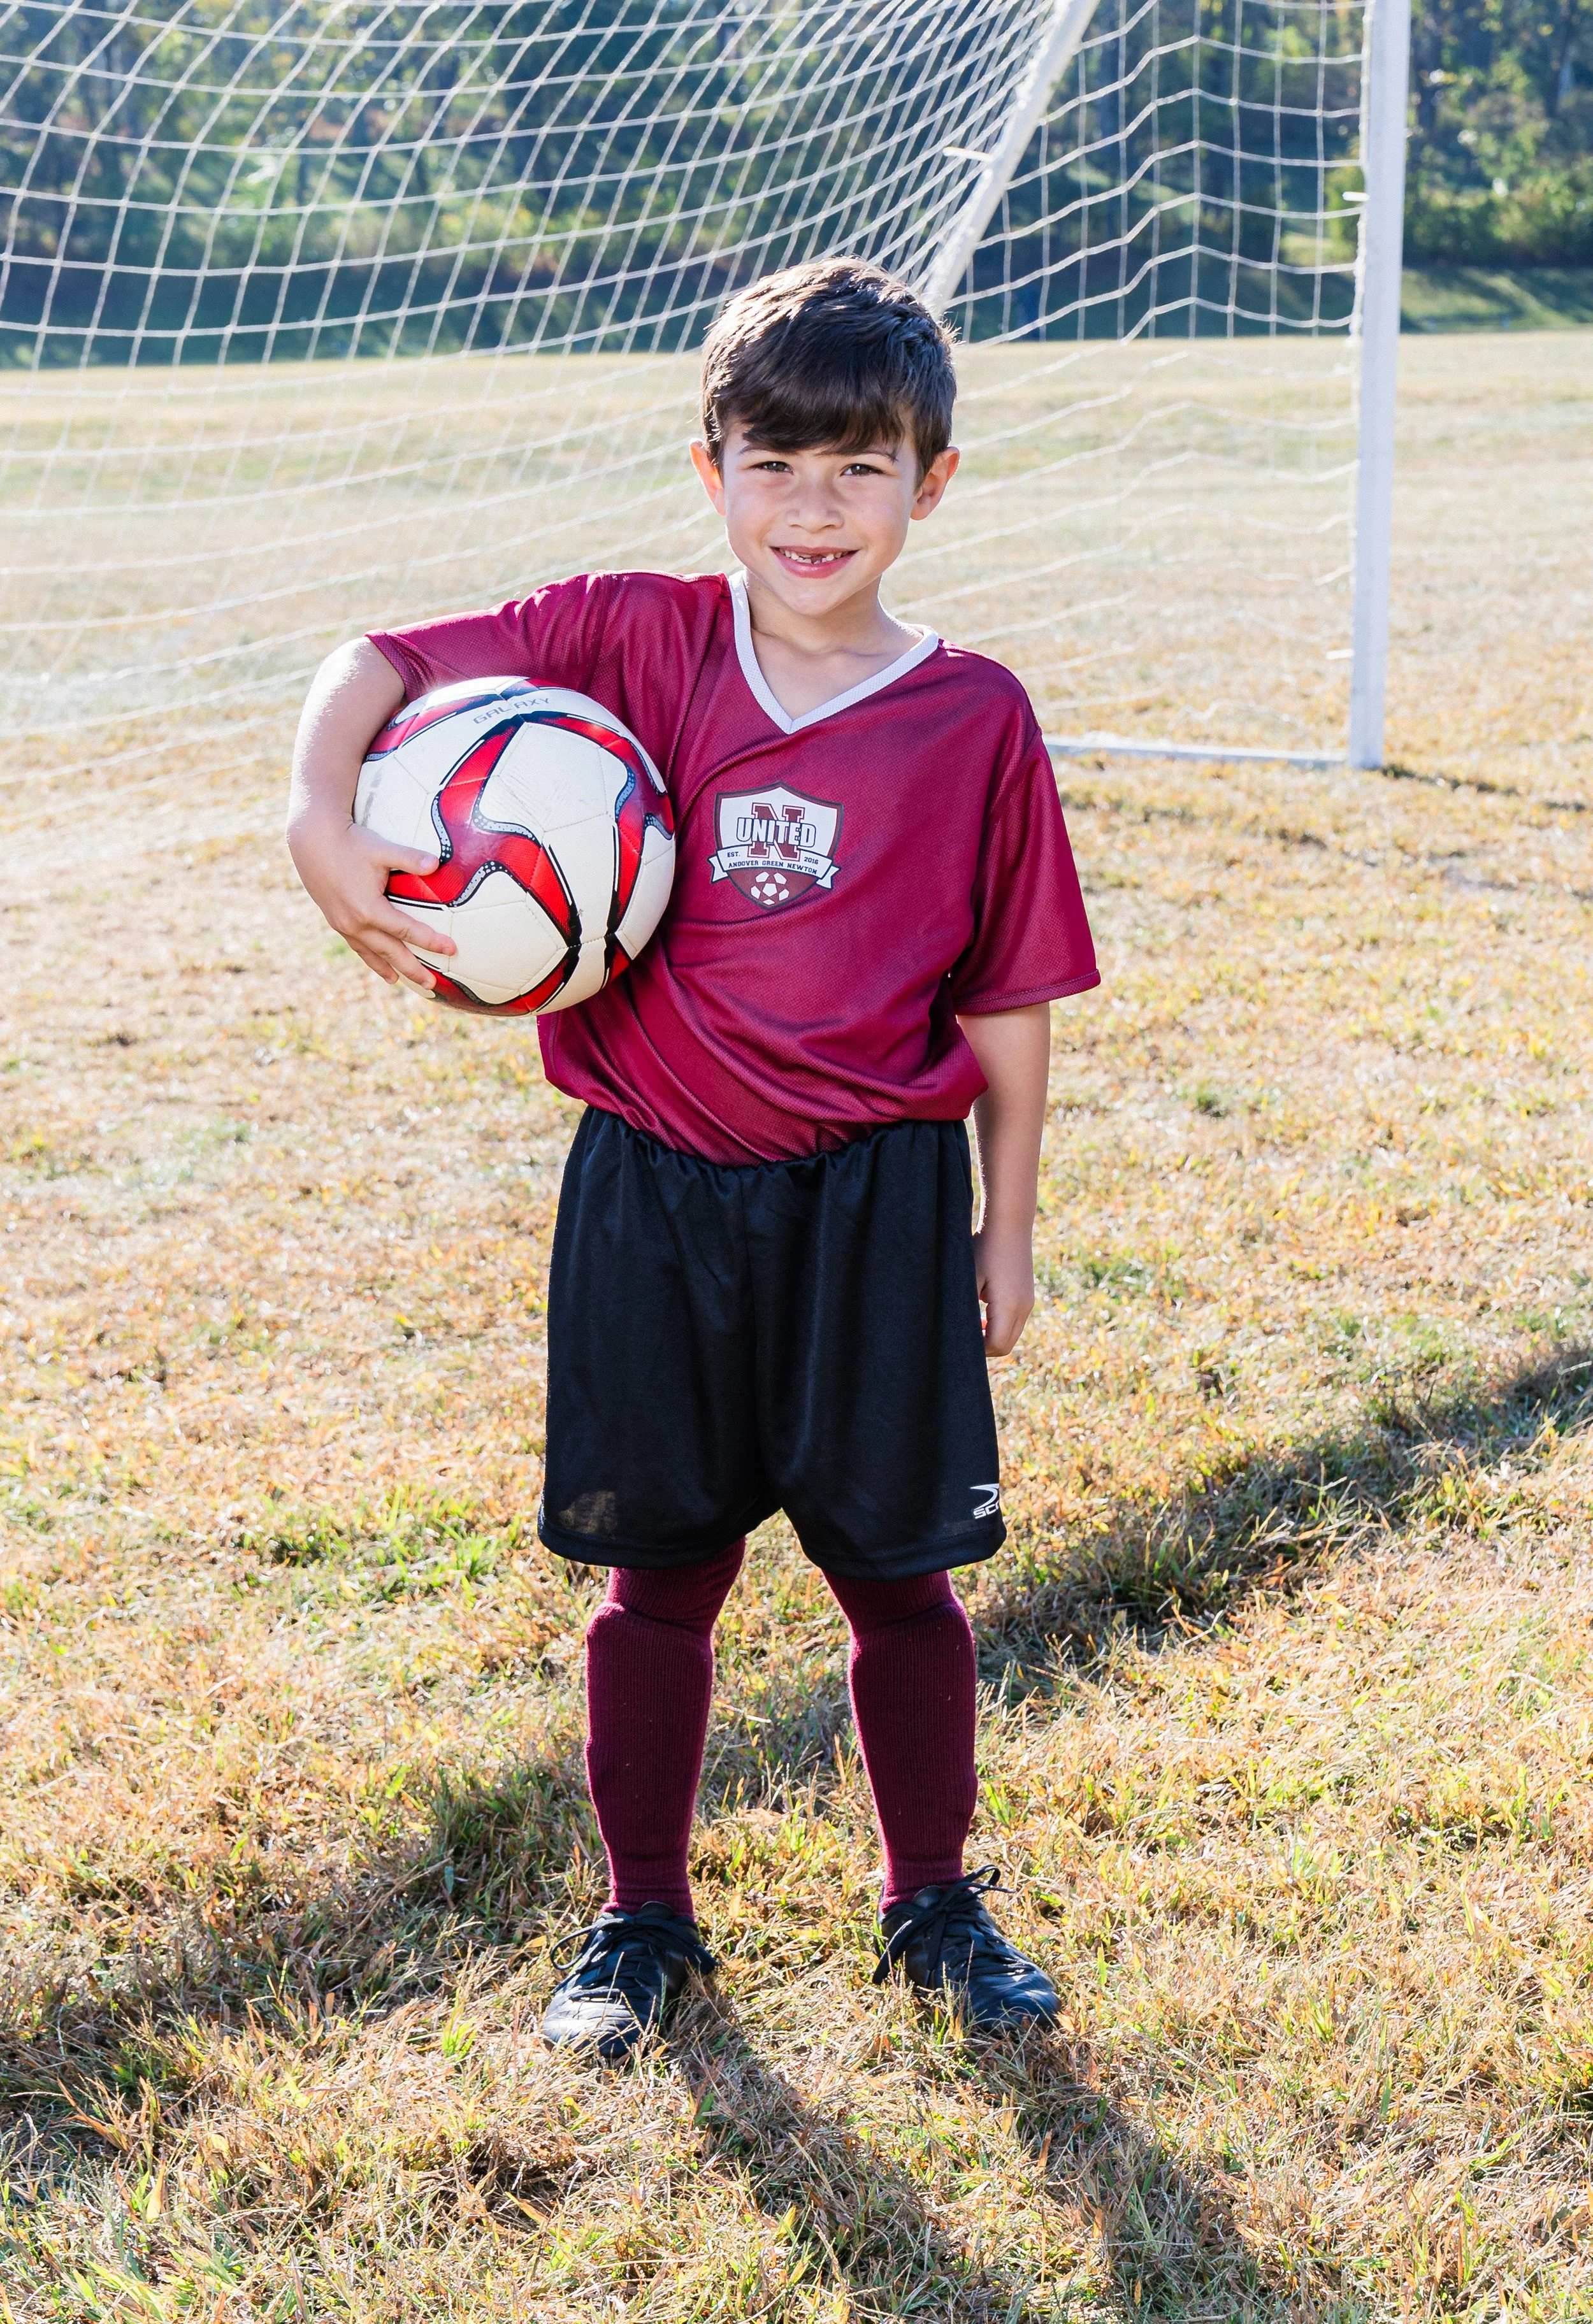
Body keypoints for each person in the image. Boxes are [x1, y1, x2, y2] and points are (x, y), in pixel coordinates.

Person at [285, 259, 1099, 2061]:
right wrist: (318, 813)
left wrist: (1005, 1224)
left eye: (861, 469)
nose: (815, 508)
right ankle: (641, 1918)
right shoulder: (628, 639)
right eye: (775, 464)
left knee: (899, 1573)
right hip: (653, 1183)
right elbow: (380, 661)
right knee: (659, 1572)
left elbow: (1013, 996)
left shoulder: (973, 716)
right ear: (708, 467)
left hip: (879, 1204)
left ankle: (933, 1901)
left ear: (932, 482)